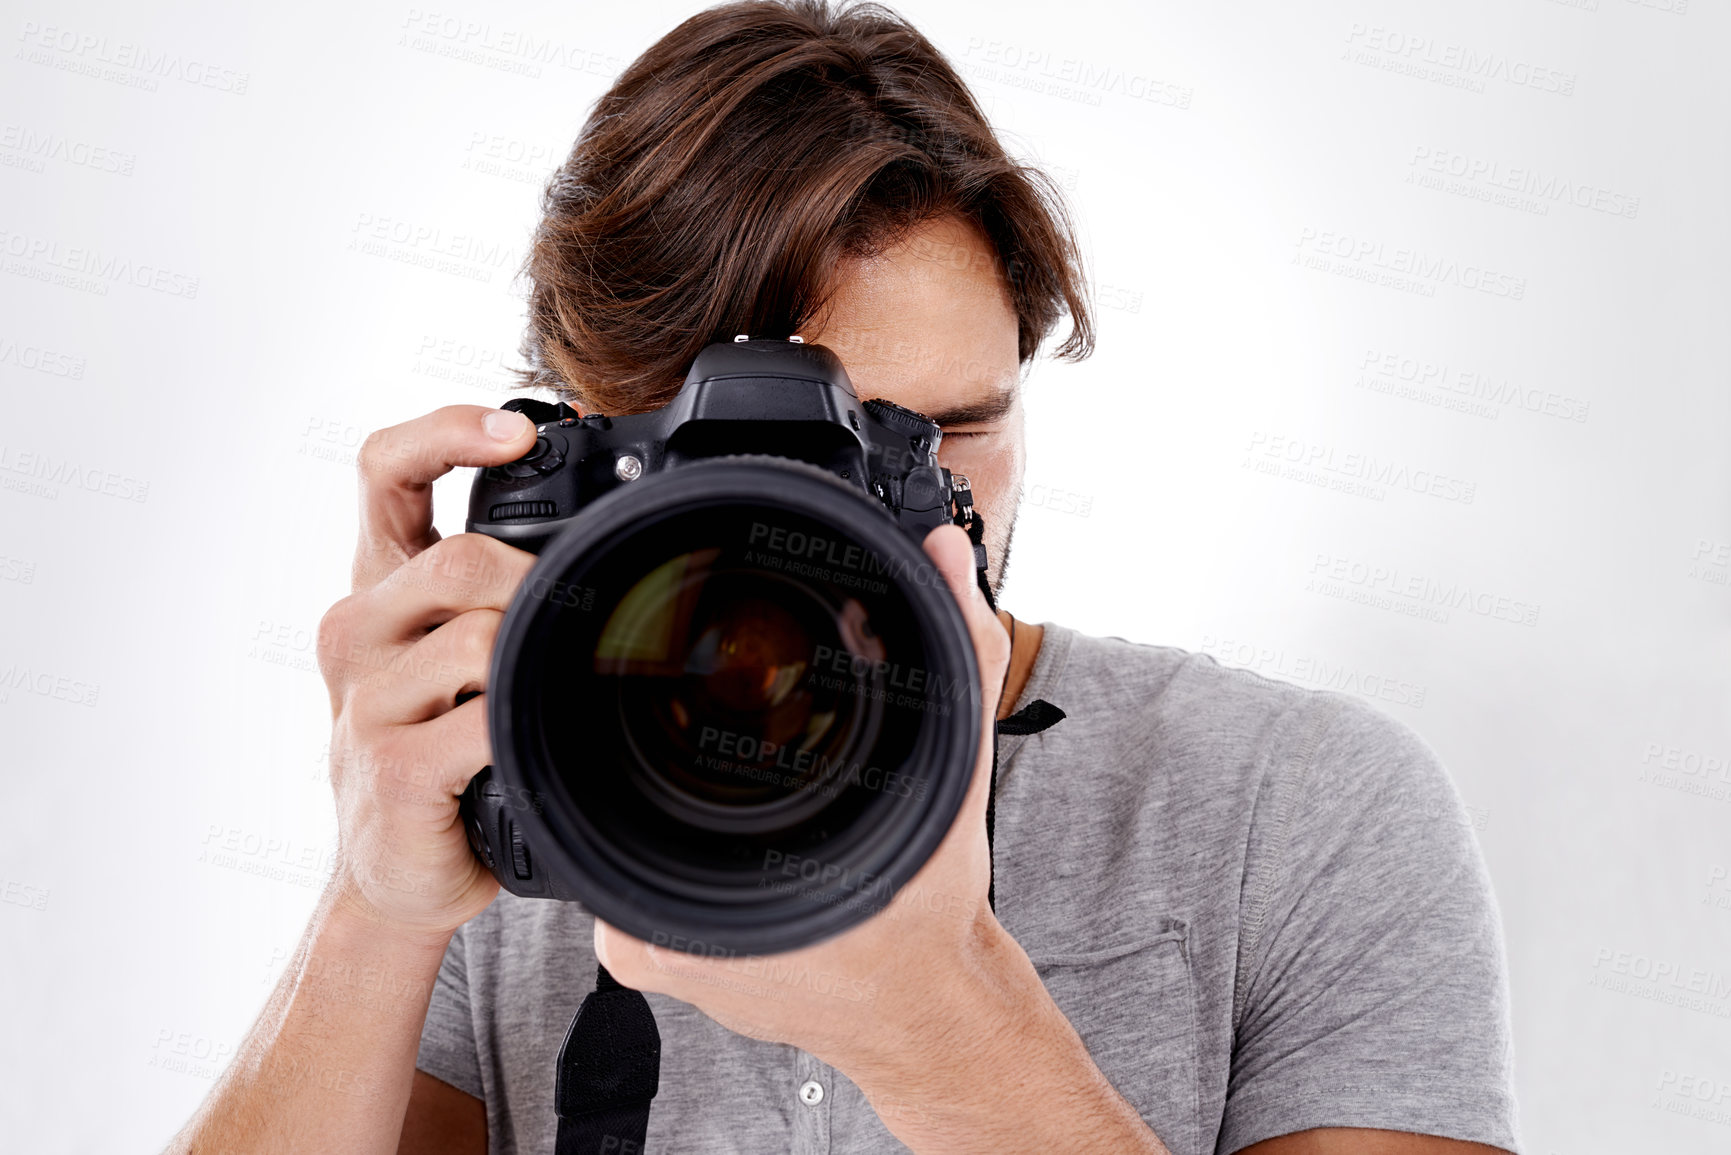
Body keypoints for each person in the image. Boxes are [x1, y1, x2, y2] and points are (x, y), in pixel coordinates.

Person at [166, 3, 1520, 1153]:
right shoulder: (518, 789)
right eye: (764, 469)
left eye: (946, 434)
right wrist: (374, 899)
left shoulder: (1302, 809)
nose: (852, 523)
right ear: (574, 437)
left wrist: (945, 1016)